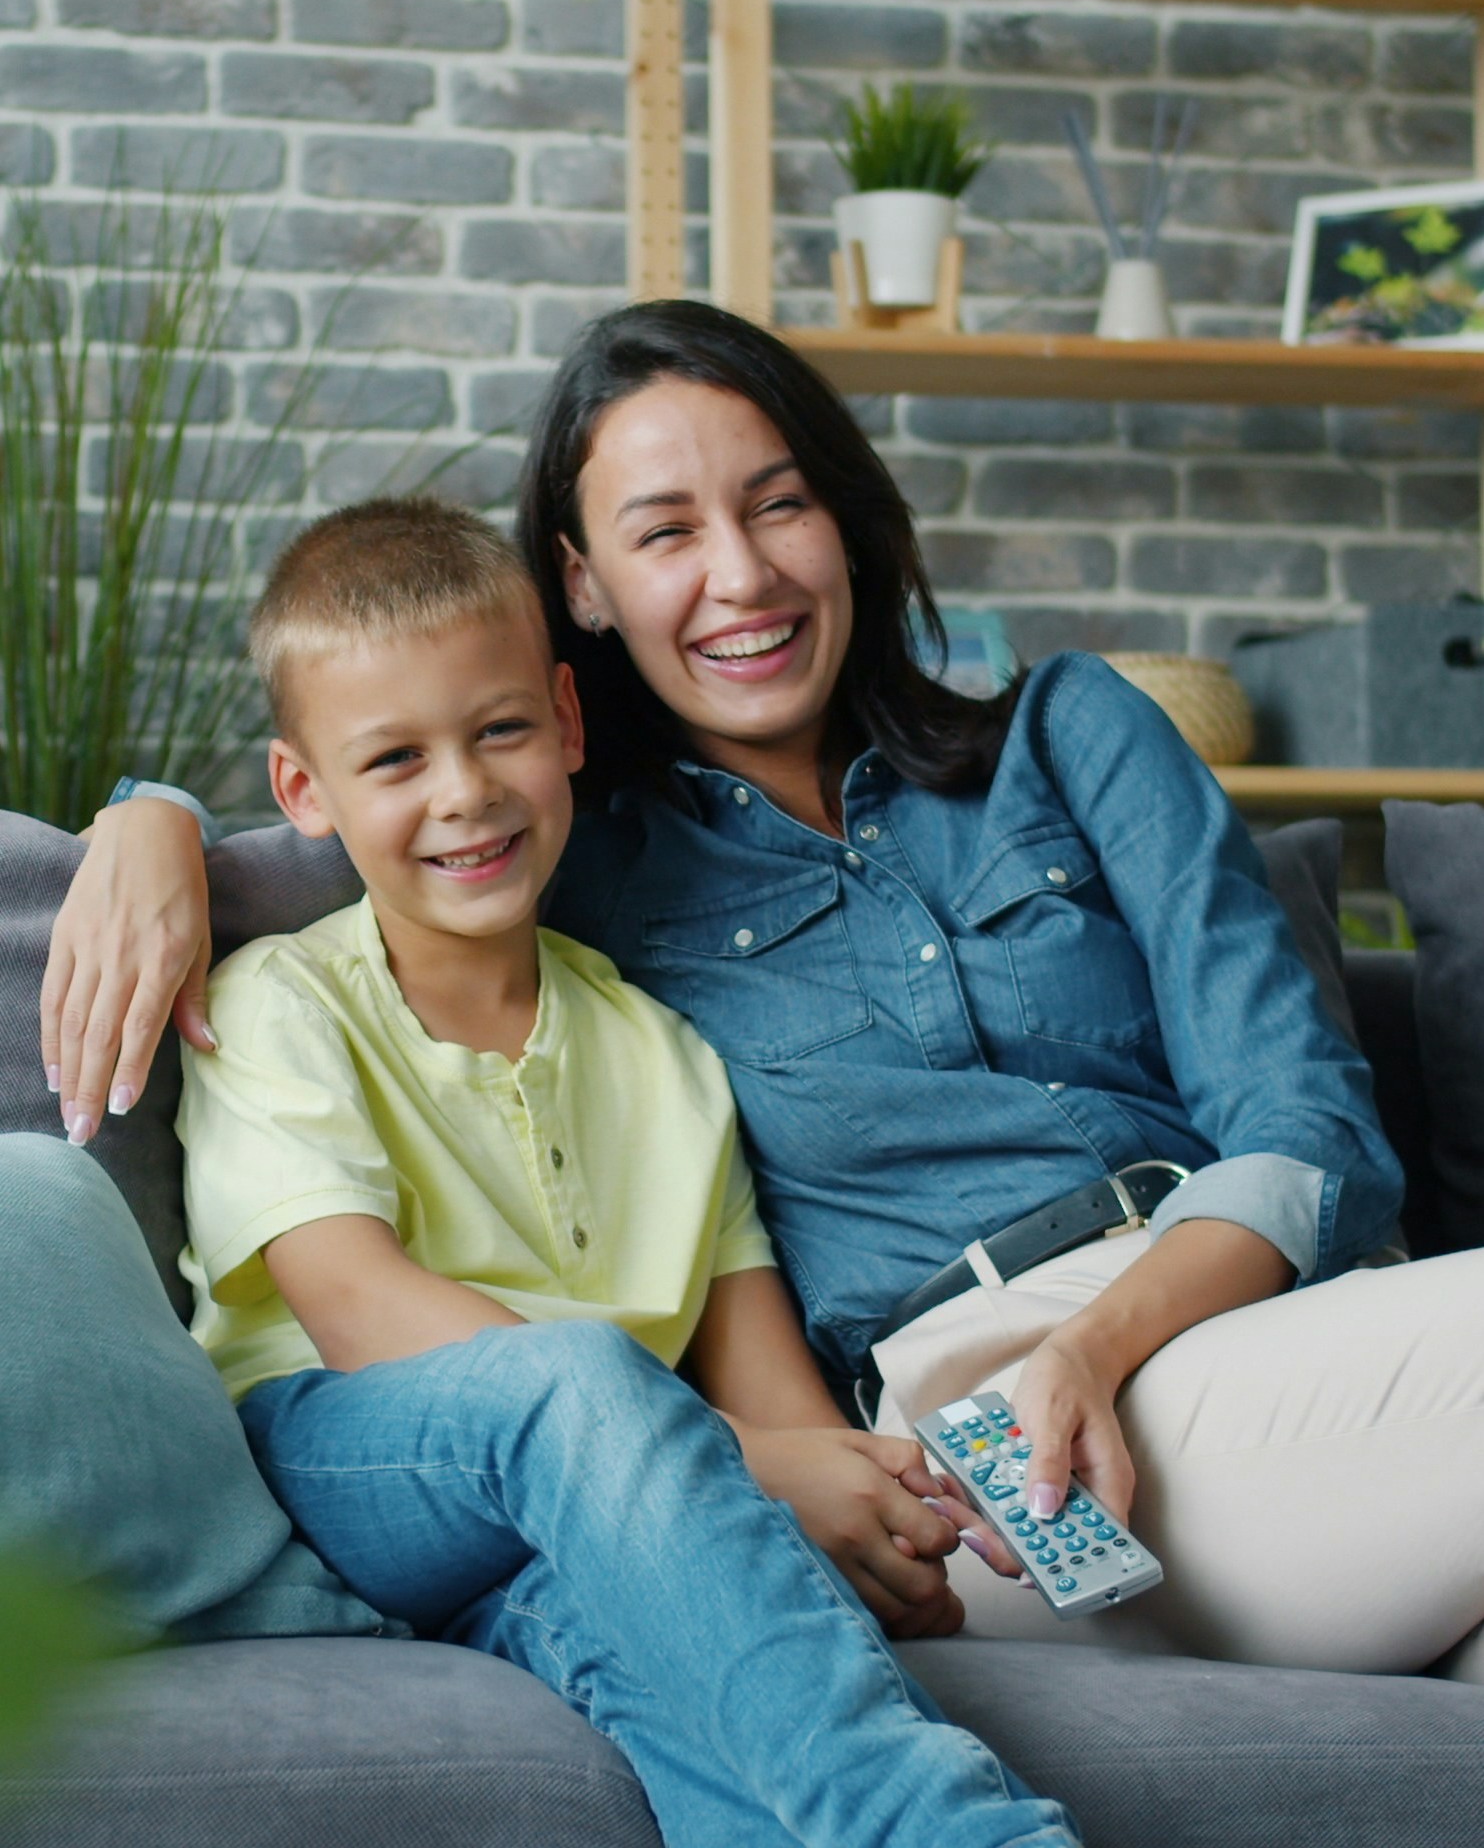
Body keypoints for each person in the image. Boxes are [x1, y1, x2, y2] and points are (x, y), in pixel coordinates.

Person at [50, 302, 1484, 1678]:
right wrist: (146, 821)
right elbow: (367, 805)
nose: (740, 576)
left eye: (778, 505)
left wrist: (1105, 1344)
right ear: (585, 591)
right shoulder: (575, 852)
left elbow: (1307, 1126)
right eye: (666, 532)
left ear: (847, 518)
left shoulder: (1076, 732)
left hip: (1261, 1320)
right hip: (987, 1421)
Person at [165, 492, 1078, 1848]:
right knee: (586, 1381)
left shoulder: (665, 1053)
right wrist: (752, 1469)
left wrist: (866, 1502)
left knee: (700, 1706)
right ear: (307, 793)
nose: (465, 793)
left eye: (502, 732)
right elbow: (357, 1311)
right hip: (355, 1466)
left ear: (568, 726)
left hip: (588, 1535)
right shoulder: (279, 1002)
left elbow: (769, 1395)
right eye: (396, 760)